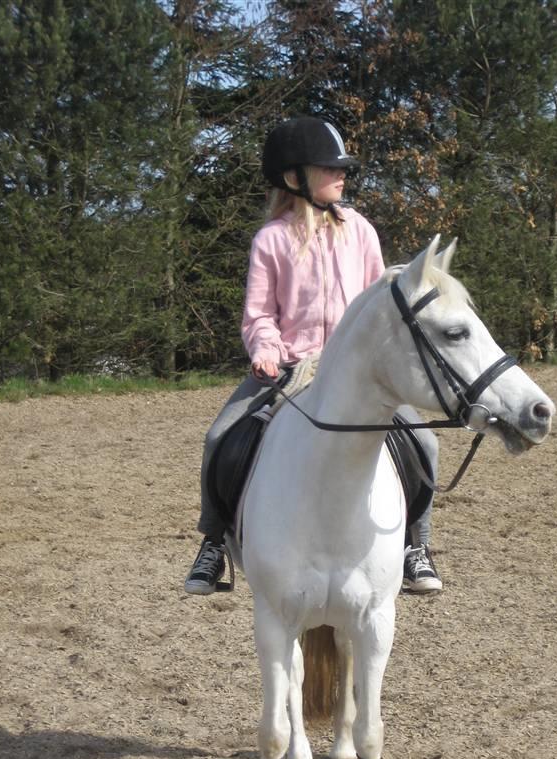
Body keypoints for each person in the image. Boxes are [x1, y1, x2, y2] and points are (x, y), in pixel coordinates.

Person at [184, 116, 443, 596]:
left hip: (355, 371)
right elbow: (259, 314)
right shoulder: (271, 241)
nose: (342, 175)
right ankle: (214, 543)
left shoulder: (360, 230)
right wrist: (265, 349)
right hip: (289, 367)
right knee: (219, 438)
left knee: (426, 444)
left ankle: (414, 544)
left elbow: (377, 303)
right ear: (294, 178)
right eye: (330, 168)